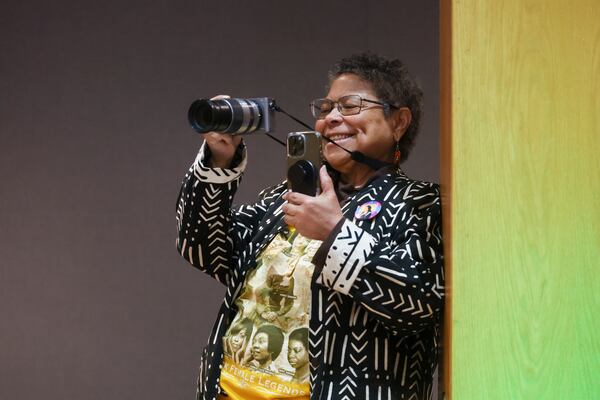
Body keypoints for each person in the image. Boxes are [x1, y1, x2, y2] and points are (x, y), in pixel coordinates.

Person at [176, 53, 444, 400]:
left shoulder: (420, 203)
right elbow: (206, 251)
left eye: (350, 105)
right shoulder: (288, 195)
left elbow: (421, 303)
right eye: (326, 108)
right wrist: (220, 159)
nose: (332, 118)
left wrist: (336, 234)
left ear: (399, 122)